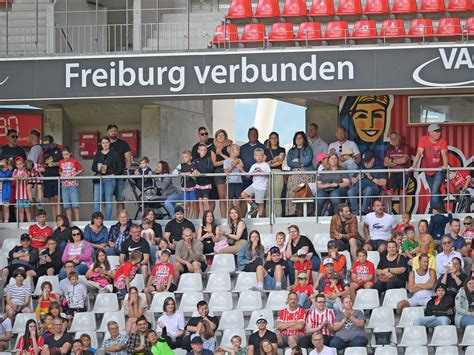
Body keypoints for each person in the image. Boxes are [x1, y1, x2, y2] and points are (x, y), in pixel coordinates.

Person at [411, 123, 448, 212]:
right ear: (430, 132)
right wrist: (413, 166)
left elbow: (444, 154)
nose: (439, 133)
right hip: (428, 170)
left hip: (439, 169)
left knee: (435, 190)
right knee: (435, 192)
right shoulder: (423, 139)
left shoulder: (442, 141)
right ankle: (442, 211)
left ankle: (433, 211)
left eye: (440, 131)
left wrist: (445, 165)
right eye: (437, 131)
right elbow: (419, 153)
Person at [347, 150, 387, 215]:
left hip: (373, 188)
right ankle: (355, 212)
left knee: (368, 189)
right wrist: (357, 178)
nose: (366, 164)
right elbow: (352, 181)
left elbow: (383, 183)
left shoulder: (379, 168)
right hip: (358, 188)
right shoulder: (360, 167)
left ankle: (363, 211)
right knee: (350, 191)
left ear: (373, 160)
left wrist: (371, 178)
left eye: (368, 162)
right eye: (365, 162)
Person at [91, 136, 121, 220]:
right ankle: (97, 220)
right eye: (103, 143)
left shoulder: (114, 154)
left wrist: (114, 174)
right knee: (97, 201)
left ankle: (107, 220)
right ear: (101, 144)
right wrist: (98, 168)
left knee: (108, 201)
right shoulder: (98, 153)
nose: (105, 144)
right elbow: (93, 167)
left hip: (109, 179)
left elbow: (120, 167)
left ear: (109, 143)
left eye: (106, 142)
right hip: (99, 178)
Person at [285, 131, 314, 216]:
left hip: (306, 174)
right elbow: (289, 163)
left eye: (300, 138)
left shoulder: (308, 149)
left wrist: (298, 162)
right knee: (293, 193)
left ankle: (306, 213)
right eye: (297, 138)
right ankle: (293, 213)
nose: (298, 140)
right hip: (294, 176)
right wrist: (300, 163)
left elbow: (308, 161)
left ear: (304, 139)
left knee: (305, 193)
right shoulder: (291, 151)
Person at [107, 124, 132, 216]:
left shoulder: (123, 144)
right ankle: (103, 221)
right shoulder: (104, 143)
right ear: (107, 132)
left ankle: (120, 220)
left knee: (120, 199)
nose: (113, 132)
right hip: (106, 177)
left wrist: (126, 172)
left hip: (120, 175)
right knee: (104, 200)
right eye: (111, 131)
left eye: (114, 131)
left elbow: (129, 159)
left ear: (117, 132)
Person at [241, 148, 271, 217]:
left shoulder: (265, 165)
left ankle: (260, 217)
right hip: (254, 185)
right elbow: (248, 176)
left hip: (261, 187)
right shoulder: (253, 165)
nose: (259, 157)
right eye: (257, 155)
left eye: (260, 155)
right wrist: (241, 169)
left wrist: (262, 171)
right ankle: (253, 206)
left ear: (263, 156)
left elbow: (270, 174)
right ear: (254, 157)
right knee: (243, 194)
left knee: (260, 204)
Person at [58, 146, 83, 221]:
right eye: (64, 154)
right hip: (64, 185)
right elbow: (60, 170)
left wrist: (74, 174)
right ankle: (69, 221)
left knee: (75, 204)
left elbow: (81, 169)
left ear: (70, 154)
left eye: (67, 154)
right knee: (66, 205)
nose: (65, 156)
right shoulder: (61, 162)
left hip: (73, 185)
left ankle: (77, 221)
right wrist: (61, 174)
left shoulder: (74, 161)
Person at [210, 129, 230, 217]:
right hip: (219, 172)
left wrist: (221, 150)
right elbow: (214, 163)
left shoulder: (229, 146)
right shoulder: (213, 148)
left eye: (223, 135)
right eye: (219, 135)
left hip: (230, 171)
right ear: (216, 137)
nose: (221, 137)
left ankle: (230, 217)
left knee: (229, 197)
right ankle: (224, 218)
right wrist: (225, 161)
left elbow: (232, 157)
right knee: (222, 197)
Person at [41, 135, 62, 218]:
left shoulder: (59, 149)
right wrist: (44, 166)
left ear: (52, 142)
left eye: (48, 145)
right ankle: (55, 219)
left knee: (58, 199)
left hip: (57, 176)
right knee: (52, 200)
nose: (47, 147)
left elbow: (63, 161)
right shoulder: (45, 152)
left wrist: (54, 164)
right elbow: (42, 163)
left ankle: (60, 219)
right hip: (47, 177)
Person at [384, 131, 411, 196]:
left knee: (403, 193)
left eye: (395, 138)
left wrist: (392, 160)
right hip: (393, 174)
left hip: (404, 173)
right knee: (389, 192)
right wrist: (398, 161)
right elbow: (385, 163)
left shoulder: (405, 147)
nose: (394, 140)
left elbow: (404, 160)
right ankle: (388, 206)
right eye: (392, 139)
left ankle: (402, 206)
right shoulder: (389, 149)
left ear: (399, 138)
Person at [266, 132, 286, 217]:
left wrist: (269, 163)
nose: (274, 140)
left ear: (278, 139)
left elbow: (280, 160)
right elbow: (263, 162)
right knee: (268, 198)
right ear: (269, 139)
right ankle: (267, 217)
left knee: (277, 198)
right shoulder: (266, 150)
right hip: (267, 173)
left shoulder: (282, 149)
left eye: (275, 138)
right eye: (272, 138)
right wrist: (273, 161)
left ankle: (278, 217)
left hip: (278, 173)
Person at [174, 149, 198, 218]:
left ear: (190, 157)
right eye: (183, 157)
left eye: (186, 157)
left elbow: (196, 173)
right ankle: (186, 217)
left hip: (192, 186)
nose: (184, 158)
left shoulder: (194, 165)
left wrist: (192, 174)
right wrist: (183, 173)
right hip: (184, 187)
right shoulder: (181, 165)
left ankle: (191, 217)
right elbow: (174, 173)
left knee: (192, 203)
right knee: (186, 203)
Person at [223, 144, 246, 213]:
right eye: (237, 150)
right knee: (229, 202)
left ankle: (237, 217)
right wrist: (233, 165)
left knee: (237, 202)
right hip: (230, 183)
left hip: (238, 182)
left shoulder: (240, 160)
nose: (239, 151)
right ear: (232, 151)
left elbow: (242, 170)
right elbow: (225, 172)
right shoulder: (226, 161)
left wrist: (240, 166)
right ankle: (230, 219)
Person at [194, 143, 214, 215]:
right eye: (201, 150)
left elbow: (210, 170)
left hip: (206, 183)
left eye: (205, 150)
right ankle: (203, 217)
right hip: (199, 183)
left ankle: (208, 215)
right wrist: (195, 172)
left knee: (205, 201)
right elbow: (194, 169)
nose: (203, 151)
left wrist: (200, 172)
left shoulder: (208, 159)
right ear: (198, 151)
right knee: (200, 201)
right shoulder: (196, 161)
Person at [12, 156, 31, 222]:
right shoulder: (15, 170)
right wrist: (19, 177)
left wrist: (19, 177)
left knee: (27, 209)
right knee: (20, 209)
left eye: (20, 164)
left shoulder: (25, 170)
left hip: (25, 194)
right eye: (17, 164)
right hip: (18, 194)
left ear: (23, 164)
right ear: (16, 165)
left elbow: (26, 176)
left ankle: (29, 223)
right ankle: (21, 223)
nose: (19, 165)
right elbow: (14, 176)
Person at [0, 158, 13, 223]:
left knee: (6, 208)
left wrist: (6, 169)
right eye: (1, 166)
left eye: (4, 166)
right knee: (0, 209)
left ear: (7, 166)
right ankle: (1, 221)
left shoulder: (9, 172)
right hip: (0, 194)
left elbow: (4, 176)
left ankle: (6, 221)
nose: (3, 168)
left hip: (5, 193)